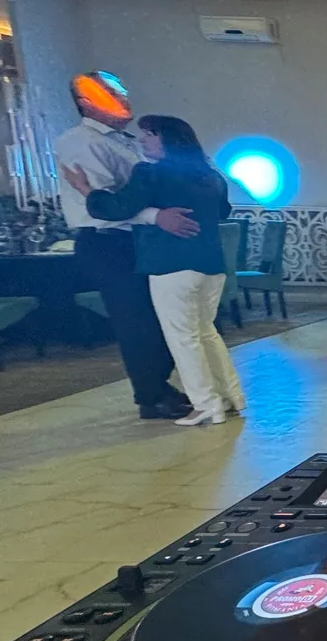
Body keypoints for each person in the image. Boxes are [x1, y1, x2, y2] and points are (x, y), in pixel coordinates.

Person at [62, 115, 244, 427]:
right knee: (206, 333)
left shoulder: (151, 174)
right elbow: (223, 210)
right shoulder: (212, 177)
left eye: (149, 135)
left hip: (170, 265)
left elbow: (115, 208)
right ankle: (230, 397)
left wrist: (85, 188)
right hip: (211, 265)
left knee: (183, 338)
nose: (142, 140)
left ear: (167, 139)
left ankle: (205, 404)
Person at [53, 71, 198, 420]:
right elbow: (106, 204)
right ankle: (151, 396)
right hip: (108, 242)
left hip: (138, 240)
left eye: (122, 92)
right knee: (137, 321)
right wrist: (156, 216)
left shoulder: (127, 141)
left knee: (159, 316)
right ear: (86, 103)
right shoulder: (80, 142)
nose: (123, 100)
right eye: (112, 94)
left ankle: (159, 385)